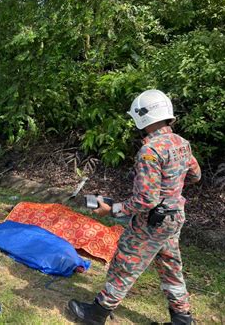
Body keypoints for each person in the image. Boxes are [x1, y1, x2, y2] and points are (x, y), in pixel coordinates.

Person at [68, 90, 201, 325]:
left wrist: (112, 209)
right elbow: (195, 175)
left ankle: (96, 314)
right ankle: (182, 319)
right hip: (174, 218)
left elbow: (146, 200)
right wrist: (171, 190)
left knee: (124, 265)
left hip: (152, 222)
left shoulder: (150, 151)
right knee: (171, 266)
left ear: (142, 117)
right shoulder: (182, 143)